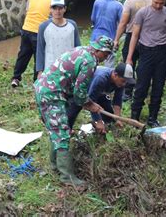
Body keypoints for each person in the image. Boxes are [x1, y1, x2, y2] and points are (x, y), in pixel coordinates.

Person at [34, 36, 114, 187]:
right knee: (62, 132)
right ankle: (67, 177)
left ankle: (55, 166)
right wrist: (91, 104)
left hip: (46, 88)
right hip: (51, 93)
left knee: (55, 129)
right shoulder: (90, 62)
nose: (107, 57)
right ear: (99, 50)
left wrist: (90, 103)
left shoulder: (82, 50)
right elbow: (79, 93)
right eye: (106, 53)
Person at [125, 0, 166, 127]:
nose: (158, 6)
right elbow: (134, 36)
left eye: (162, 3)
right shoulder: (142, 13)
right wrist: (129, 57)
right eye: (156, 2)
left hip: (161, 53)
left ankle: (153, 118)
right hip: (145, 52)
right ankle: (135, 116)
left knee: (158, 87)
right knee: (141, 86)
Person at [11, 0, 60, 87]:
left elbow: (28, 9)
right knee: (39, 57)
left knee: (23, 54)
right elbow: (53, 17)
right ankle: (36, 81)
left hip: (26, 29)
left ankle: (16, 78)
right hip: (39, 32)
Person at [67, 63, 136, 129]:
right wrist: (98, 121)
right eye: (123, 81)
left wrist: (118, 118)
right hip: (82, 91)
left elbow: (117, 100)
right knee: (73, 111)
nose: (124, 84)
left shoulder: (120, 82)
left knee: (108, 114)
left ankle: (106, 127)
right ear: (115, 75)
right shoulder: (101, 78)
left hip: (100, 93)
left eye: (126, 82)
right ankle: (66, 130)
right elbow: (92, 101)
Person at [36, 0, 81, 79]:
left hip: (69, 67)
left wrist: (79, 67)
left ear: (65, 9)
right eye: (54, 8)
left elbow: (78, 48)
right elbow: (40, 49)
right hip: (50, 68)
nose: (57, 11)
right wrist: (40, 71)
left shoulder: (72, 25)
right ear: (50, 9)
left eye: (60, 8)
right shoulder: (43, 26)